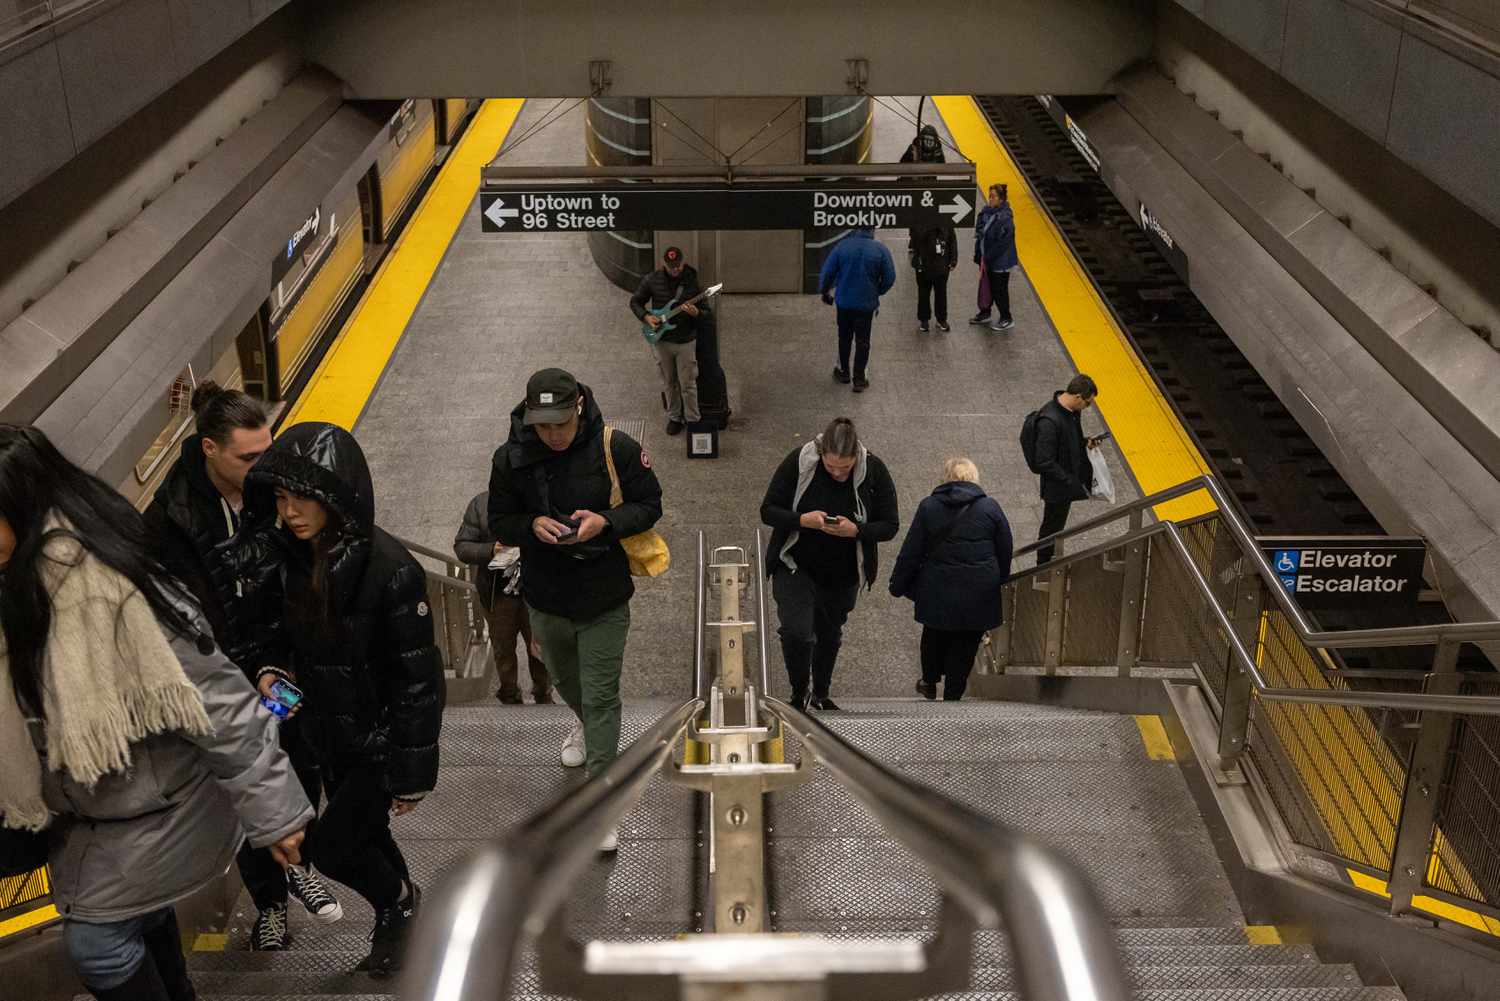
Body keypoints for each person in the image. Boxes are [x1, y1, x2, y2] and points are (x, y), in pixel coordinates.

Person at [0, 425, 312, 1001]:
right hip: (96, 809)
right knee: (135, 919)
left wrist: (276, 814)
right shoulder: (18, 585)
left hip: (161, 804)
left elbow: (224, 703)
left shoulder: (111, 593)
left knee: (97, 944)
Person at [234, 422, 444, 977]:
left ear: (335, 497)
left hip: (377, 740)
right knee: (368, 834)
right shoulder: (289, 558)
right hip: (322, 735)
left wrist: (412, 770)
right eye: (281, 498)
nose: (290, 512)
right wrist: (269, 671)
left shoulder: (392, 570)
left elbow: (417, 679)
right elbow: (268, 637)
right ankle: (399, 919)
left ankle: (398, 900)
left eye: (303, 498)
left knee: (330, 848)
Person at [142, 383, 340, 952]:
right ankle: (272, 903)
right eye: (249, 457)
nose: (264, 467)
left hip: (284, 663)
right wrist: (242, 672)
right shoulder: (171, 521)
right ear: (208, 448)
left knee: (298, 772)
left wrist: (280, 659)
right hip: (225, 678)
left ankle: (300, 862)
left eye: (267, 452)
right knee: (246, 787)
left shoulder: (271, 496)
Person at [487, 369, 662, 850]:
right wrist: (530, 524)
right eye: (543, 426)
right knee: (564, 677)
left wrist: (604, 522)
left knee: (603, 695)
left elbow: (650, 504)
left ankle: (602, 803)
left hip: (604, 593)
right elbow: (499, 518)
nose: (553, 435)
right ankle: (586, 727)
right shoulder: (511, 458)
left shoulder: (616, 447)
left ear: (579, 407)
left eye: (561, 424)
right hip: (546, 596)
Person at [760, 417, 899, 711]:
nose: (837, 473)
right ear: (821, 453)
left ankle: (821, 692)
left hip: (842, 573)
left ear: (856, 459)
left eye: (845, 469)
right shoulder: (799, 462)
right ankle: (800, 692)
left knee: (829, 633)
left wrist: (857, 530)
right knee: (797, 632)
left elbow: (890, 525)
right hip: (795, 564)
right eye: (831, 466)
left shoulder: (874, 469)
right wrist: (802, 520)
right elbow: (768, 510)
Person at [888, 458, 1013, 701]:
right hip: (980, 588)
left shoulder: (929, 506)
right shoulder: (991, 507)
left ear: (946, 479)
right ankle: (954, 692)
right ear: (974, 478)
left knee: (934, 632)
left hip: (937, 585)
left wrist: (898, 583)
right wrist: (1000, 578)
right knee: (967, 639)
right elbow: (1005, 547)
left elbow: (912, 549)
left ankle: (929, 682)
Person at [454, 490, 552, 705]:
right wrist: (492, 549)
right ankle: (509, 693)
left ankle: (543, 692)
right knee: (503, 649)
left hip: (536, 594)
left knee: (541, 647)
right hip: (497, 596)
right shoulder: (480, 504)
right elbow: (462, 547)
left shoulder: (541, 499)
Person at [630, 246, 705, 435]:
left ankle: (693, 419)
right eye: (671, 266)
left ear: (683, 262)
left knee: (688, 383)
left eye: (678, 266)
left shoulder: (691, 280)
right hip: (662, 340)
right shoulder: (652, 280)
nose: (675, 270)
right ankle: (674, 417)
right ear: (664, 264)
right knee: (669, 381)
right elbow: (635, 301)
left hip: (686, 341)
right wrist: (646, 317)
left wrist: (697, 313)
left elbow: (706, 312)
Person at [818, 228, 896, 393]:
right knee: (863, 341)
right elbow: (890, 277)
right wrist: (877, 291)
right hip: (866, 305)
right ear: (873, 230)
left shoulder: (842, 246)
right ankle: (859, 379)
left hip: (844, 303)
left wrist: (824, 292)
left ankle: (844, 372)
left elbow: (828, 272)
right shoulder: (880, 250)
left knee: (844, 338)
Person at [1033, 374, 1100, 565]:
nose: (1087, 408)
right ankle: (1043, 564)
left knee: (1057, 526)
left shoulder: (1071, 412)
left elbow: (1070, 439)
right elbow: (1043, 461)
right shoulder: (1049, 421)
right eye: (1087, 403)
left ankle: (1050, 558)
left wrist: (1085, 441)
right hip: (1057, 487)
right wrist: (1068, 479)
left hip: (1066, 482)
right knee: (1051, 527)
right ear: (1078, 396)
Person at [970, 183, 1018, 331]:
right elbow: (980, 233)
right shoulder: (986, 212)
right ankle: (985, 312)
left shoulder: (1005, 218)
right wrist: (979, 253)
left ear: (1001, 199)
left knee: (999, 289)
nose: (989, 199)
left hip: (1000, 262)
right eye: (989, 196)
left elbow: (1003, 243)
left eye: (993, 197)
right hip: (987, 258)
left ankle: (1006, 317)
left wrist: (988, 257)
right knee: (986, 286)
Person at [908, 219, 958, 333]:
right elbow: (915, 240)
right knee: (923, 293)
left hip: (941, 266)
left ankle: (941, 319)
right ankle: (924, 320)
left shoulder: (945, 222)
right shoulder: (919, 222)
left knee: (941, 293)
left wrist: (953, 260)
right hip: (923, 266)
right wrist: (931, 227)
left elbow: (952, 240)